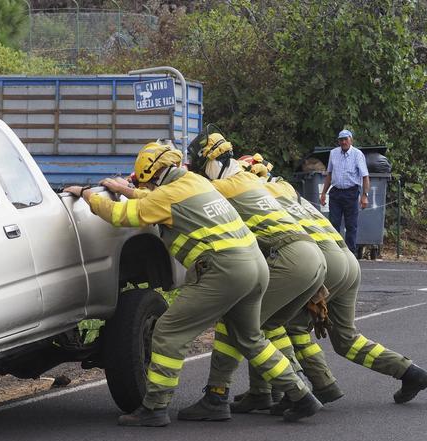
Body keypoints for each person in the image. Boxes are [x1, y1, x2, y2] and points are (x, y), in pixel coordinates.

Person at [64, 141, 321, 427]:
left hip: (225, 270)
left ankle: (155, 407)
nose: (144, 188)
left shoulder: (166, 196)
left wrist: (87, 194)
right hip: (256, 265)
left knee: (168, 331)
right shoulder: (194, 181)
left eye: (144, 182)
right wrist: (127, 190)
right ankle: (301, 395)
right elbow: (156, 198)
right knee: (250, 337)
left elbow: (121, 215)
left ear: (154, 175)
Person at [175, 133, 326, 420]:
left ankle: (219, 396)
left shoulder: (223, 185)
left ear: (210, 162)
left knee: (239, 325)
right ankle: (274, 392)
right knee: (267, 326)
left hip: (290, 257)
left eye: (198, 165)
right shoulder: (245, 178)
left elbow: (189, 195)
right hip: (309, 255)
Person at [254, 164, 427, 407]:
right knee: (346, 339)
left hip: (323, 263)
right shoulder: (291, 196)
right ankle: (410, 373)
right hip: (347, 260)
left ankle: (307, 388)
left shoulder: (259, 202)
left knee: (284, 325)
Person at [320, 129, 369, 253]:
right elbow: (329, 175)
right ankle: (335, 252)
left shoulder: (357, 154)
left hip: (351, 192)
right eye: (341, 140)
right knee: (334, 223)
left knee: (351, 225)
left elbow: (365, 176)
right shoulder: (333, 153)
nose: (343, 142)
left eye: (345, 139)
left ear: (351, 140)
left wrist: (364, 195)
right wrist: (323, 193)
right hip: (336, 192)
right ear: (338, 141)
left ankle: (350, 253)